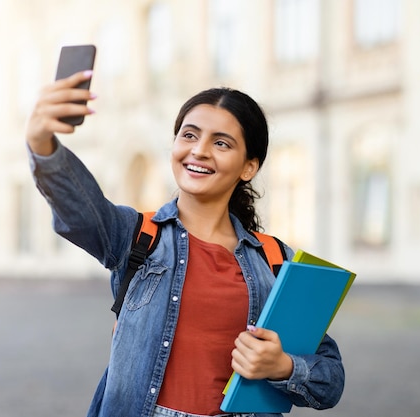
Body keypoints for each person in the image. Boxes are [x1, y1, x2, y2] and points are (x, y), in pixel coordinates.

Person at [25, 70, 345, 417]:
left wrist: (283, 366)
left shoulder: (276, 261)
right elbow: (80, 209)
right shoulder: (136, 236)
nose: (199, 151)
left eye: (221, 143)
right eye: (189, 135)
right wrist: (42, 144)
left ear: (249, 167)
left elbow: (330, 380)